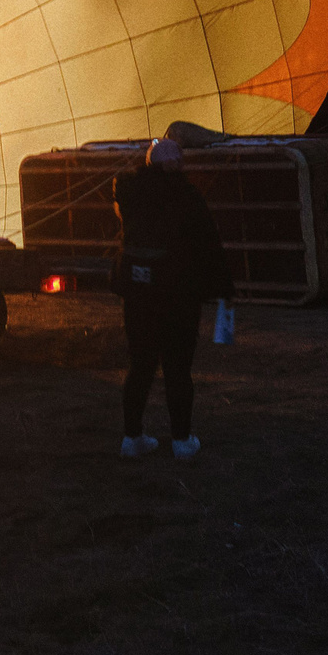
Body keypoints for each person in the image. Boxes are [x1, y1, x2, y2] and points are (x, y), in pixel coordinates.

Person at [111, 135, 232, 460]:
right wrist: (223, 287)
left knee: (141, 366)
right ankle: (181, 440)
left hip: (138, 296)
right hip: (177, 296)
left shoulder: (130, 196)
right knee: (177, 369)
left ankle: (132, 437)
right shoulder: (186, 195)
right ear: (176, 165)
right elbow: (209, 243)